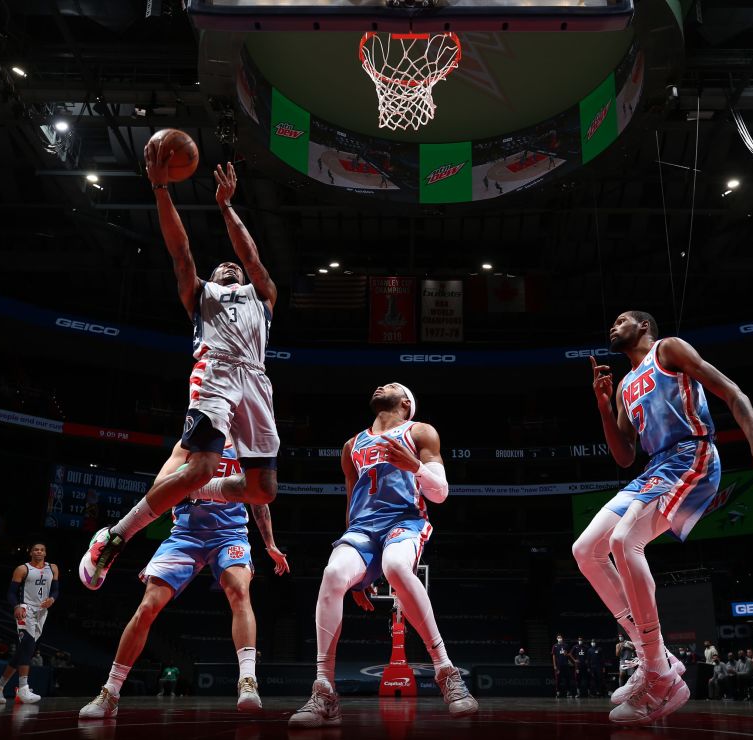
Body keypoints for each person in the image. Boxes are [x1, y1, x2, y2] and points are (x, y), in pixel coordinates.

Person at [574, 311, 753, 725]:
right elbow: (624, 456)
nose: (612, 325)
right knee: (585, 550)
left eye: (621, 320)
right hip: (653, 468)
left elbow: (731, 391)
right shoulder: (623, 385)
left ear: (643, 326)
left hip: (691, 456)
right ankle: (652, 658)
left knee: (624, 541)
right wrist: (604, 408)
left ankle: (660, 673)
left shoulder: (667, 349)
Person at [79, 155, 279, 590]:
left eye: (236, 266)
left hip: (257, 380)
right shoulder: (201, 294)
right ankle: (115, 537)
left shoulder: (261, 295)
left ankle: (191, 489)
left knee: (264, 490)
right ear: (211, 277)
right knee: (203, 464)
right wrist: (161, 188)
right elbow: (181, 250)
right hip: (216, 375)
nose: (230, 265)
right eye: (221, 266)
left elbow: (251, 254)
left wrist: (227, 208)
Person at [288, 383, 478, 727]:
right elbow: (351, 505)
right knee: (333, 575)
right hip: (362, 528)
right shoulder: (351, 446)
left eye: (391, 386)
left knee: (395, 566)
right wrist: (357, 576)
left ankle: (446, 673)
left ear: (406, 403)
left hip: (405, 521)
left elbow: (441, 494)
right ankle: (324, 690)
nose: (381, 386)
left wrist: (414, 466)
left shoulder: (419, 431)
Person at [80, 441, 288, 718]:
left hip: (230, 534)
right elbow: (160, 487)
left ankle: (248, 681)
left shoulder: (246, 444)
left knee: (239, 592)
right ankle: (110, 692)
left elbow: (259, 500)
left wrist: (270, 544)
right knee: (147, 608)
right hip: (185, 535)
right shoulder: (191, 442)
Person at [0, 543, 58, 705]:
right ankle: (23, 688)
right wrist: (17, 606)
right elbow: (11, 593)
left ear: (45, 553)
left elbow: (55, 590)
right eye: (36, 549)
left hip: (42, 611)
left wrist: (52, 599)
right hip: (26, 609)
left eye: (42, 549)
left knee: (22, 652)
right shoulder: (22, 569)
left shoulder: (53, 568)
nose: (39, 552)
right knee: (28, 644)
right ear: (31, 553)